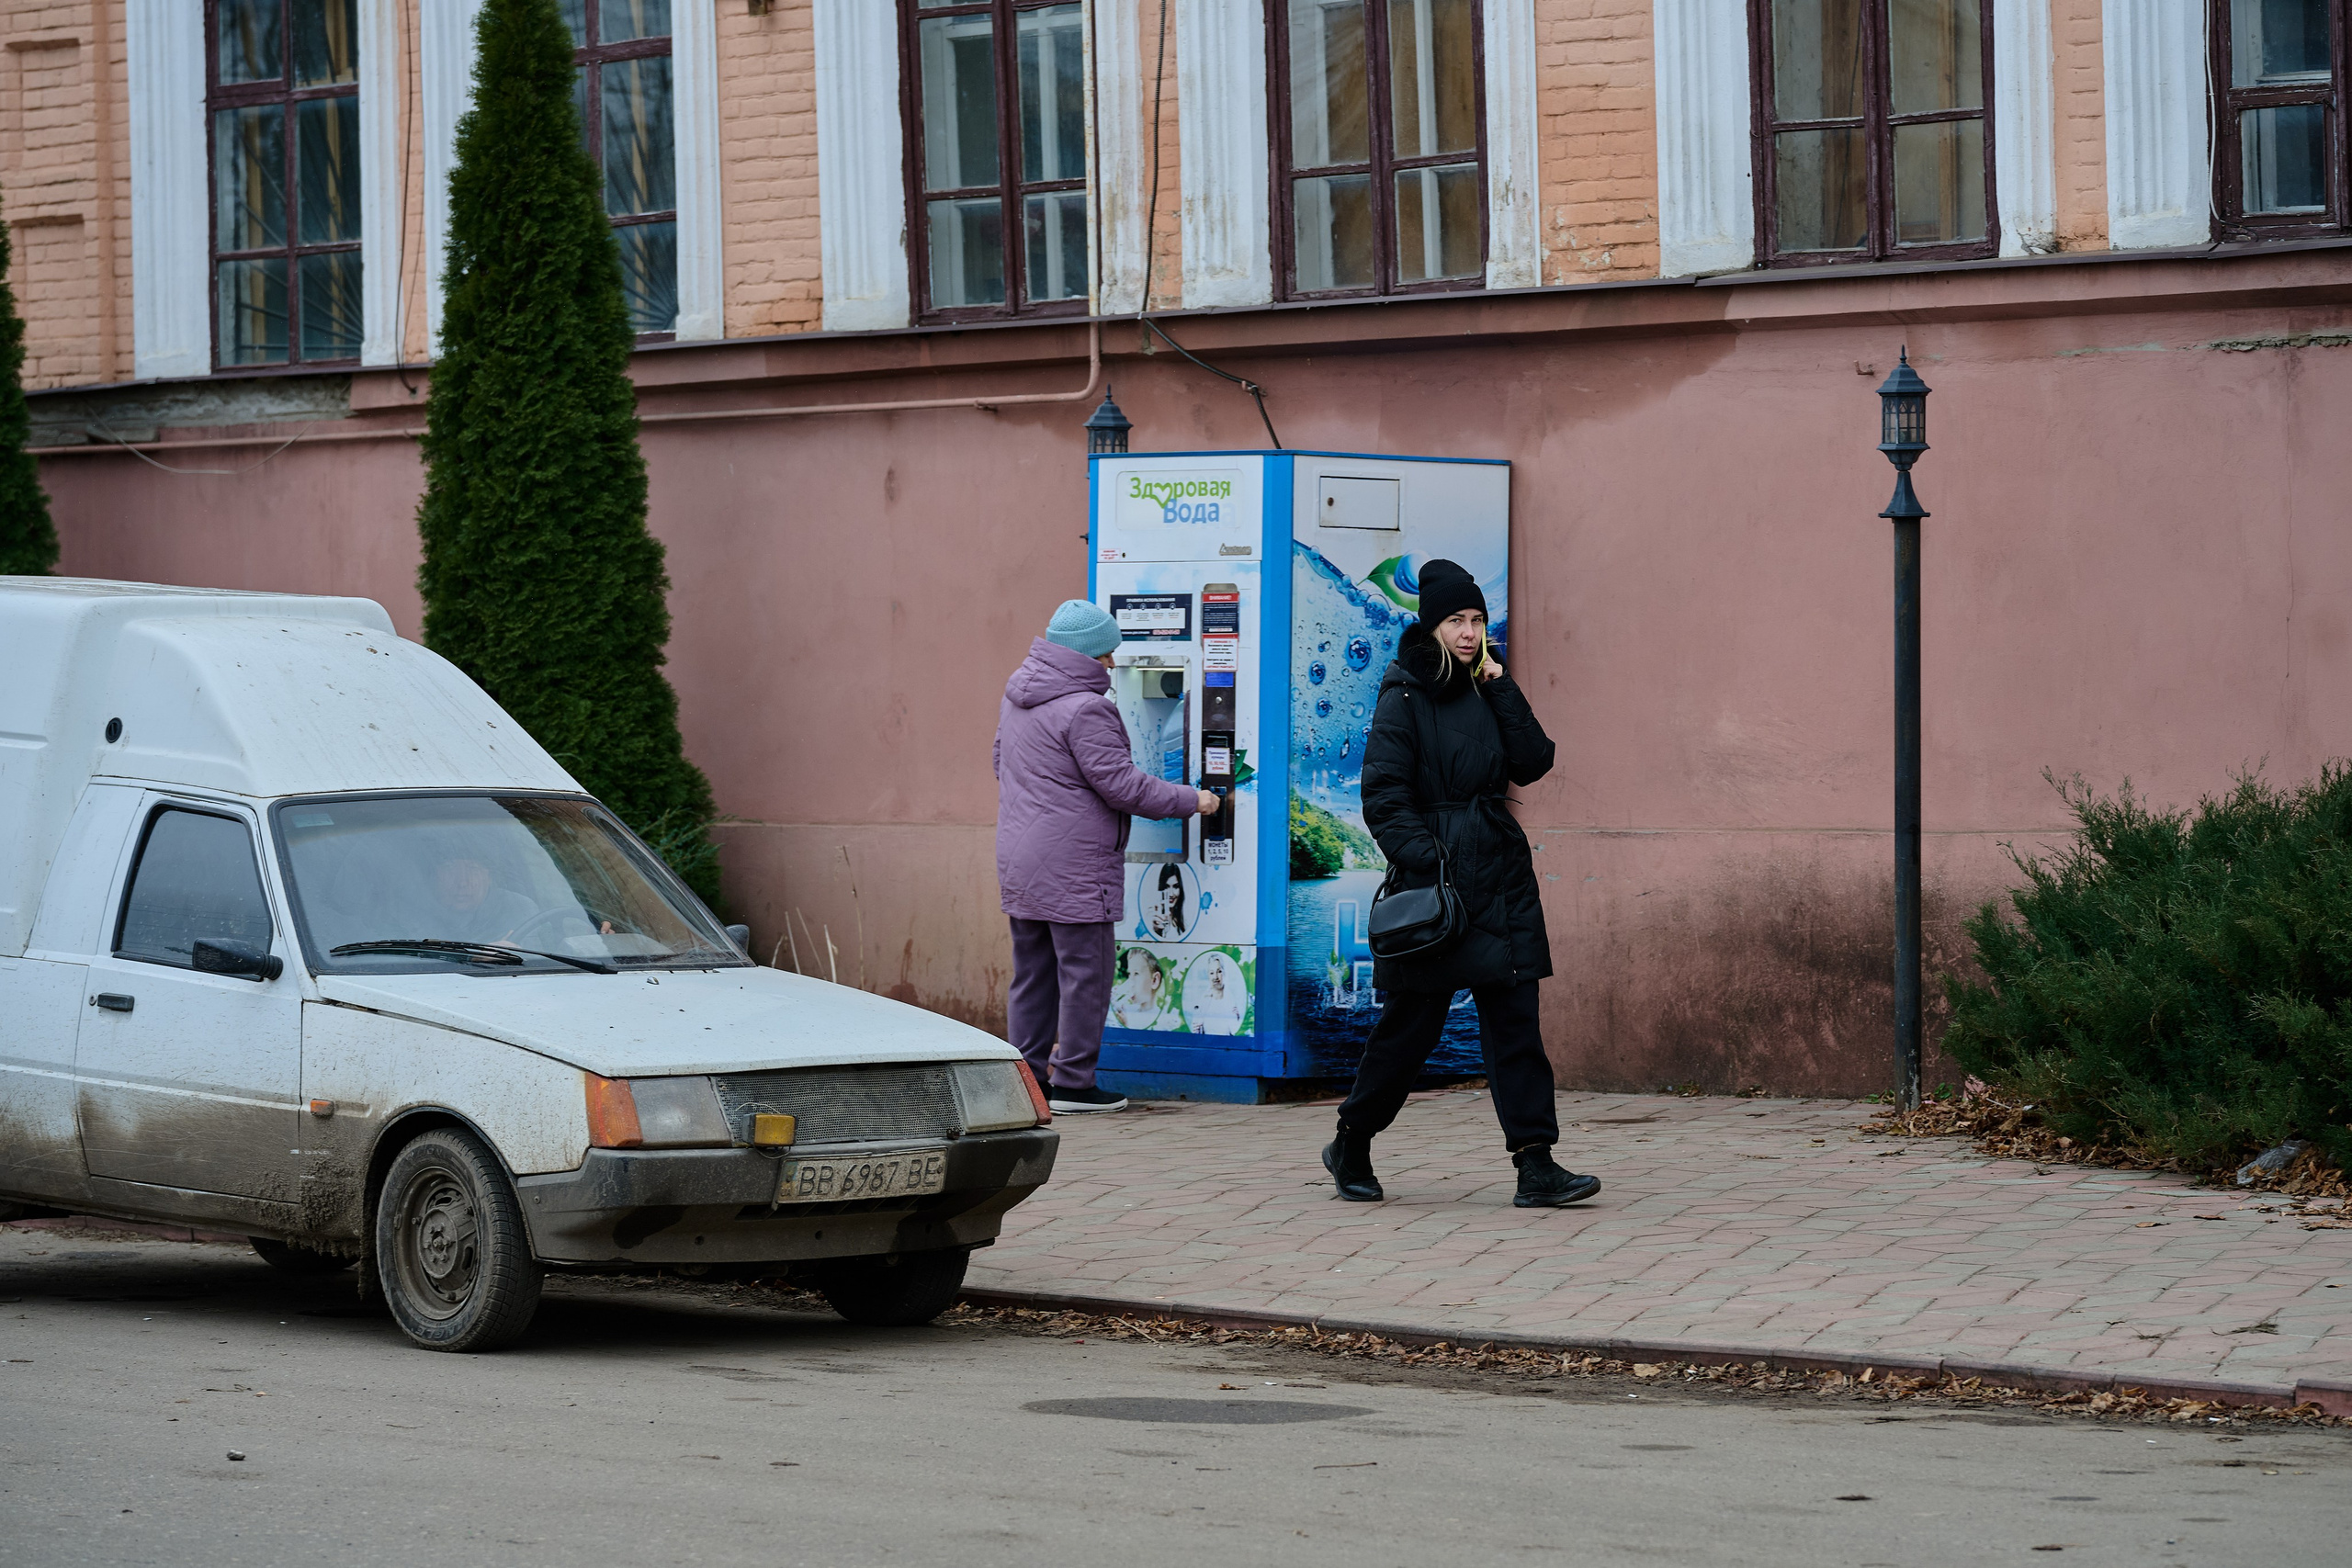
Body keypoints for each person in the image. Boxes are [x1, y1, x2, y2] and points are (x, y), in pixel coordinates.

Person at [1321, 559, 1601, 1208]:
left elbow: (1534, 760)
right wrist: (1431, 859)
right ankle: (1353, 1139)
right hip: (1441, 888)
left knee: (1516, 1025)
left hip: (1501, 878)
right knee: (1410, 1029)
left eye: (1476, 620)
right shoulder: (1405, 694)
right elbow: (1384, 796)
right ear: (1432, 625)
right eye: (1457, 621)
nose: (1470, 632)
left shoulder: (1487, 686)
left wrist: (1501, 685)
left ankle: (1536, 1165)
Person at [995, 600, 1218, 1112]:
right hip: (1075, 865)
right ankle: (1074, 1084)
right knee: (1086, 975)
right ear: (1086, 655)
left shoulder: (1017, 696)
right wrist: (1194, 800)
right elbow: (1122, 787)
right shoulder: (1087, 708)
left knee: (1032, 975)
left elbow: (1000, 763)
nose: (1113, 665)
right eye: (1107, 655)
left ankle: (1027, 1085)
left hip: (1019, 856)